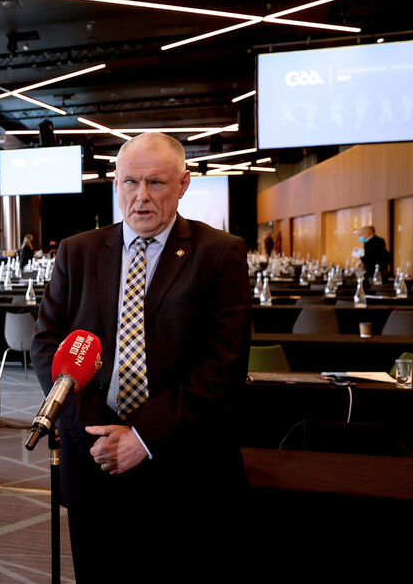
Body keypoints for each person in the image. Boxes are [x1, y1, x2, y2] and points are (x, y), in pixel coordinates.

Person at [31, 132, 250, 576]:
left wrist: (142, 438)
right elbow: (47, 346)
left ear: (183, 184)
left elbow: (222, 366)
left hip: (183, 466)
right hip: (94, 463)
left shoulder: (219, 253)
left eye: (156, 182)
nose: (142, 196)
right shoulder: (78, 251)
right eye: (131, 182)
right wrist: (97, 435)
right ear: (116, 183)